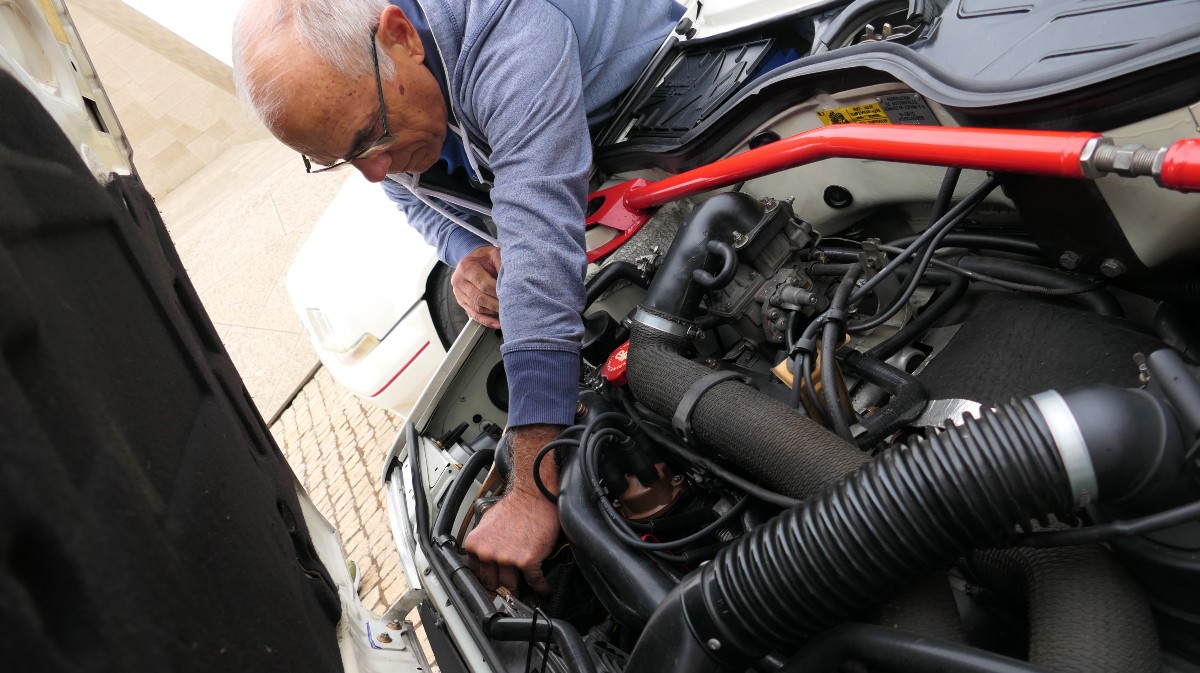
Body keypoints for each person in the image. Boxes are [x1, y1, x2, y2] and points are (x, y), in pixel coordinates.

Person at [232, 0, 684, 595]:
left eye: (370, 137)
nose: (374, 172)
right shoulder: (379, 114)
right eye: (344, 159)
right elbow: (417, 202)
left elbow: (540, 245)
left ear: (401, 36)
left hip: (695, 130)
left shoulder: (506, 31)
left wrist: (533, 490)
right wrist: (464, 252)